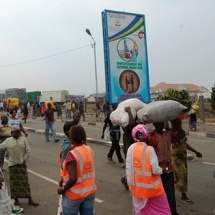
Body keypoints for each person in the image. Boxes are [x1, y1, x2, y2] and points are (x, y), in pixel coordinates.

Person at [126, 124, 171, 215]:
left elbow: (129, 168)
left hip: (137, 189)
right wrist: (162, 170)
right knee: (163, 211)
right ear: (146, 137)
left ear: (134, 137)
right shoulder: (149, 149)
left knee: (143, 212)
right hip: (153, 190)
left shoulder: (131, 148)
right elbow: (155, 170)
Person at [57, 125, 97, 215]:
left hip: (74, 195)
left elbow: (73, 178)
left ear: (72, 136)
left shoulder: (72, 154)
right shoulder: (89, 149)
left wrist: (62, 189)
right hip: (89, 192)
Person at [0, 125, 39, 207]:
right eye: (15, 132)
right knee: (14, 183)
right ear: (12, 133)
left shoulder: (23, 140)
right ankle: (16, 200)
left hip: (22, 164)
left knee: (25, 183)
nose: (17, 134)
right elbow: (1, 147)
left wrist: (23, 159)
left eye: (18, 132)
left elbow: (28, 151)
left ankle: (30, 200)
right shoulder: (8, 141)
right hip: (12, 165)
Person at [149, 122, 179, 215]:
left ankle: (173, 212)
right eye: (158, 125)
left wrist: (172, 122)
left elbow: (179, 134)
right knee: (158, 192)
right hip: (156, 169)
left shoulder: (168, 134)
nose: (160, 126)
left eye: (161, 124)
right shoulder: (150, 136)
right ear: (154, 124)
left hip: (168, 168)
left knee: (170, 191)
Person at [171, 118, 202, 204]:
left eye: (180, 123)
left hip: (183, 157)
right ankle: (183, 196)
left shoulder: (181, 133)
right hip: (176, 158)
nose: (179, 124)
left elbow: (185, 144)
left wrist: (195, 151)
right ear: (173, 123)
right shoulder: (171, 133)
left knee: (180, 176)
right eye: (177, 123)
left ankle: (170, 192)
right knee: (182, 175)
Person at [121, 106, 138, 190]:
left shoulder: (137, 123)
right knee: (131, 167)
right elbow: (131, 124)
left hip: (136, 148)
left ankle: (127, 180)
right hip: (129, 148)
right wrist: (129, 112)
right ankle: (125, 180)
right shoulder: (127, 123)